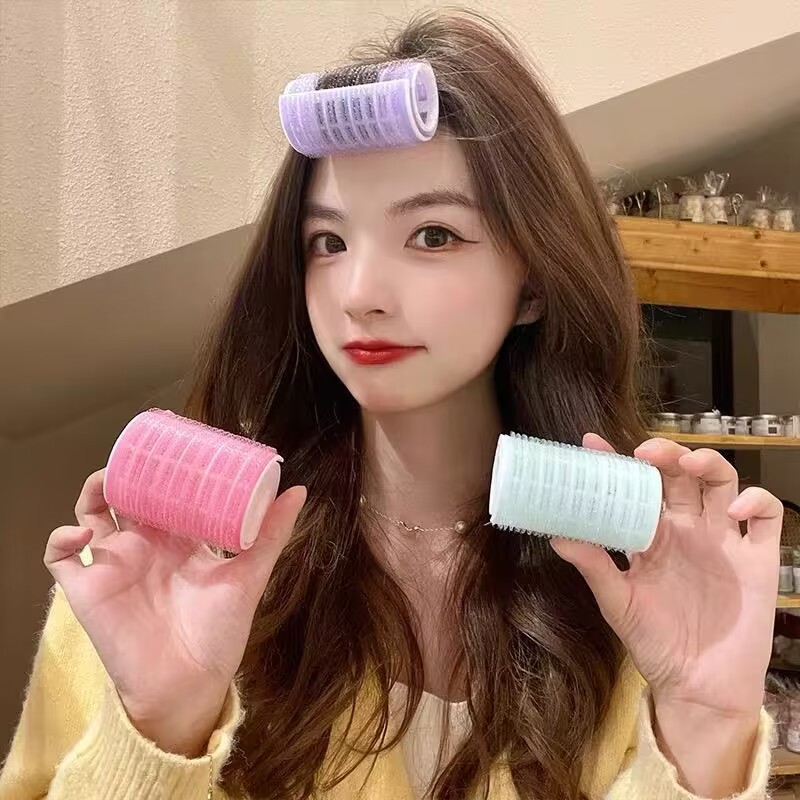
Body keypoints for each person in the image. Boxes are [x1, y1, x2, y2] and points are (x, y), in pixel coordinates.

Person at [0, 10, 779, 800]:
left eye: (434, 235)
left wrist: (704, 729)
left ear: (535, 283)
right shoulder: (169, 562)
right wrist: (160, 728)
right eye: (328, 243)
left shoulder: (641, 582)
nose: (360, 294)